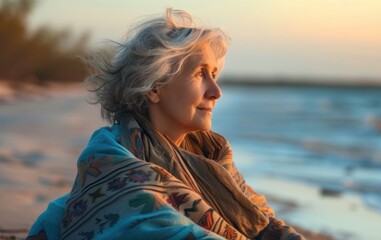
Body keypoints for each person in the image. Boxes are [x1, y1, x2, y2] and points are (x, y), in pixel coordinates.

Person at [28, 9, 306, 240]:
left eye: (215, 74)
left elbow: (264, 222)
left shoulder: (214, 160)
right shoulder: (109, 159)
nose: (216, 91)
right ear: (154, 88)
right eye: (200, 74)